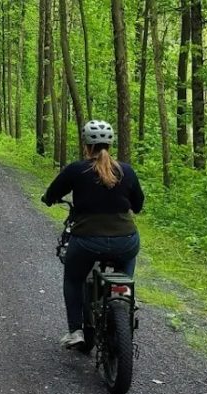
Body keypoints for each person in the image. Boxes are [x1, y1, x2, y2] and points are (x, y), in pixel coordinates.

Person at [41, 120, 145, 349]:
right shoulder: (126, 170)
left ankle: (75, 330)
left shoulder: (76, 169)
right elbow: (138, 205)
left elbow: (52, 193)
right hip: (125, 240)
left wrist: (48, 199)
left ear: (85, 144)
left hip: (87, 241)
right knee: (128, 257)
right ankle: (126, 295)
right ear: (111, 143)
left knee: (73, 278)